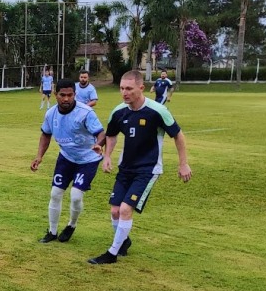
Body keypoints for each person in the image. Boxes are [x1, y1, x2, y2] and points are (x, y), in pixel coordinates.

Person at [89, 70, 192, 265]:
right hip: (125, 168)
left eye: (129, 88)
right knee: (115, 211)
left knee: (126, 209)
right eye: (121, 88)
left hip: (148, 169)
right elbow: (111, 134)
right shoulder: (119, 111)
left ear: (141, 88)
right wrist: (107, 156)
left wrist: (183, 163)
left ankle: (112, 253)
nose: (124, 93)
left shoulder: (157, 111)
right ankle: (123, 241)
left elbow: (178, 135)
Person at [31, 78, 104, 243]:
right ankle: (52, 231)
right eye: (62, 95)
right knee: (55, 193)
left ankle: (71, 225)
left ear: (74, 94)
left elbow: (101, 133)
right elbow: (46, 134)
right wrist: (39, 156)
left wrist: (99, 145)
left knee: (76, 196)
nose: (66, 99)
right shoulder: (51, 114)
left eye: (70, 95)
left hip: (88, 160)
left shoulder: (85, 112)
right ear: (56, 95)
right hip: (67, 158)